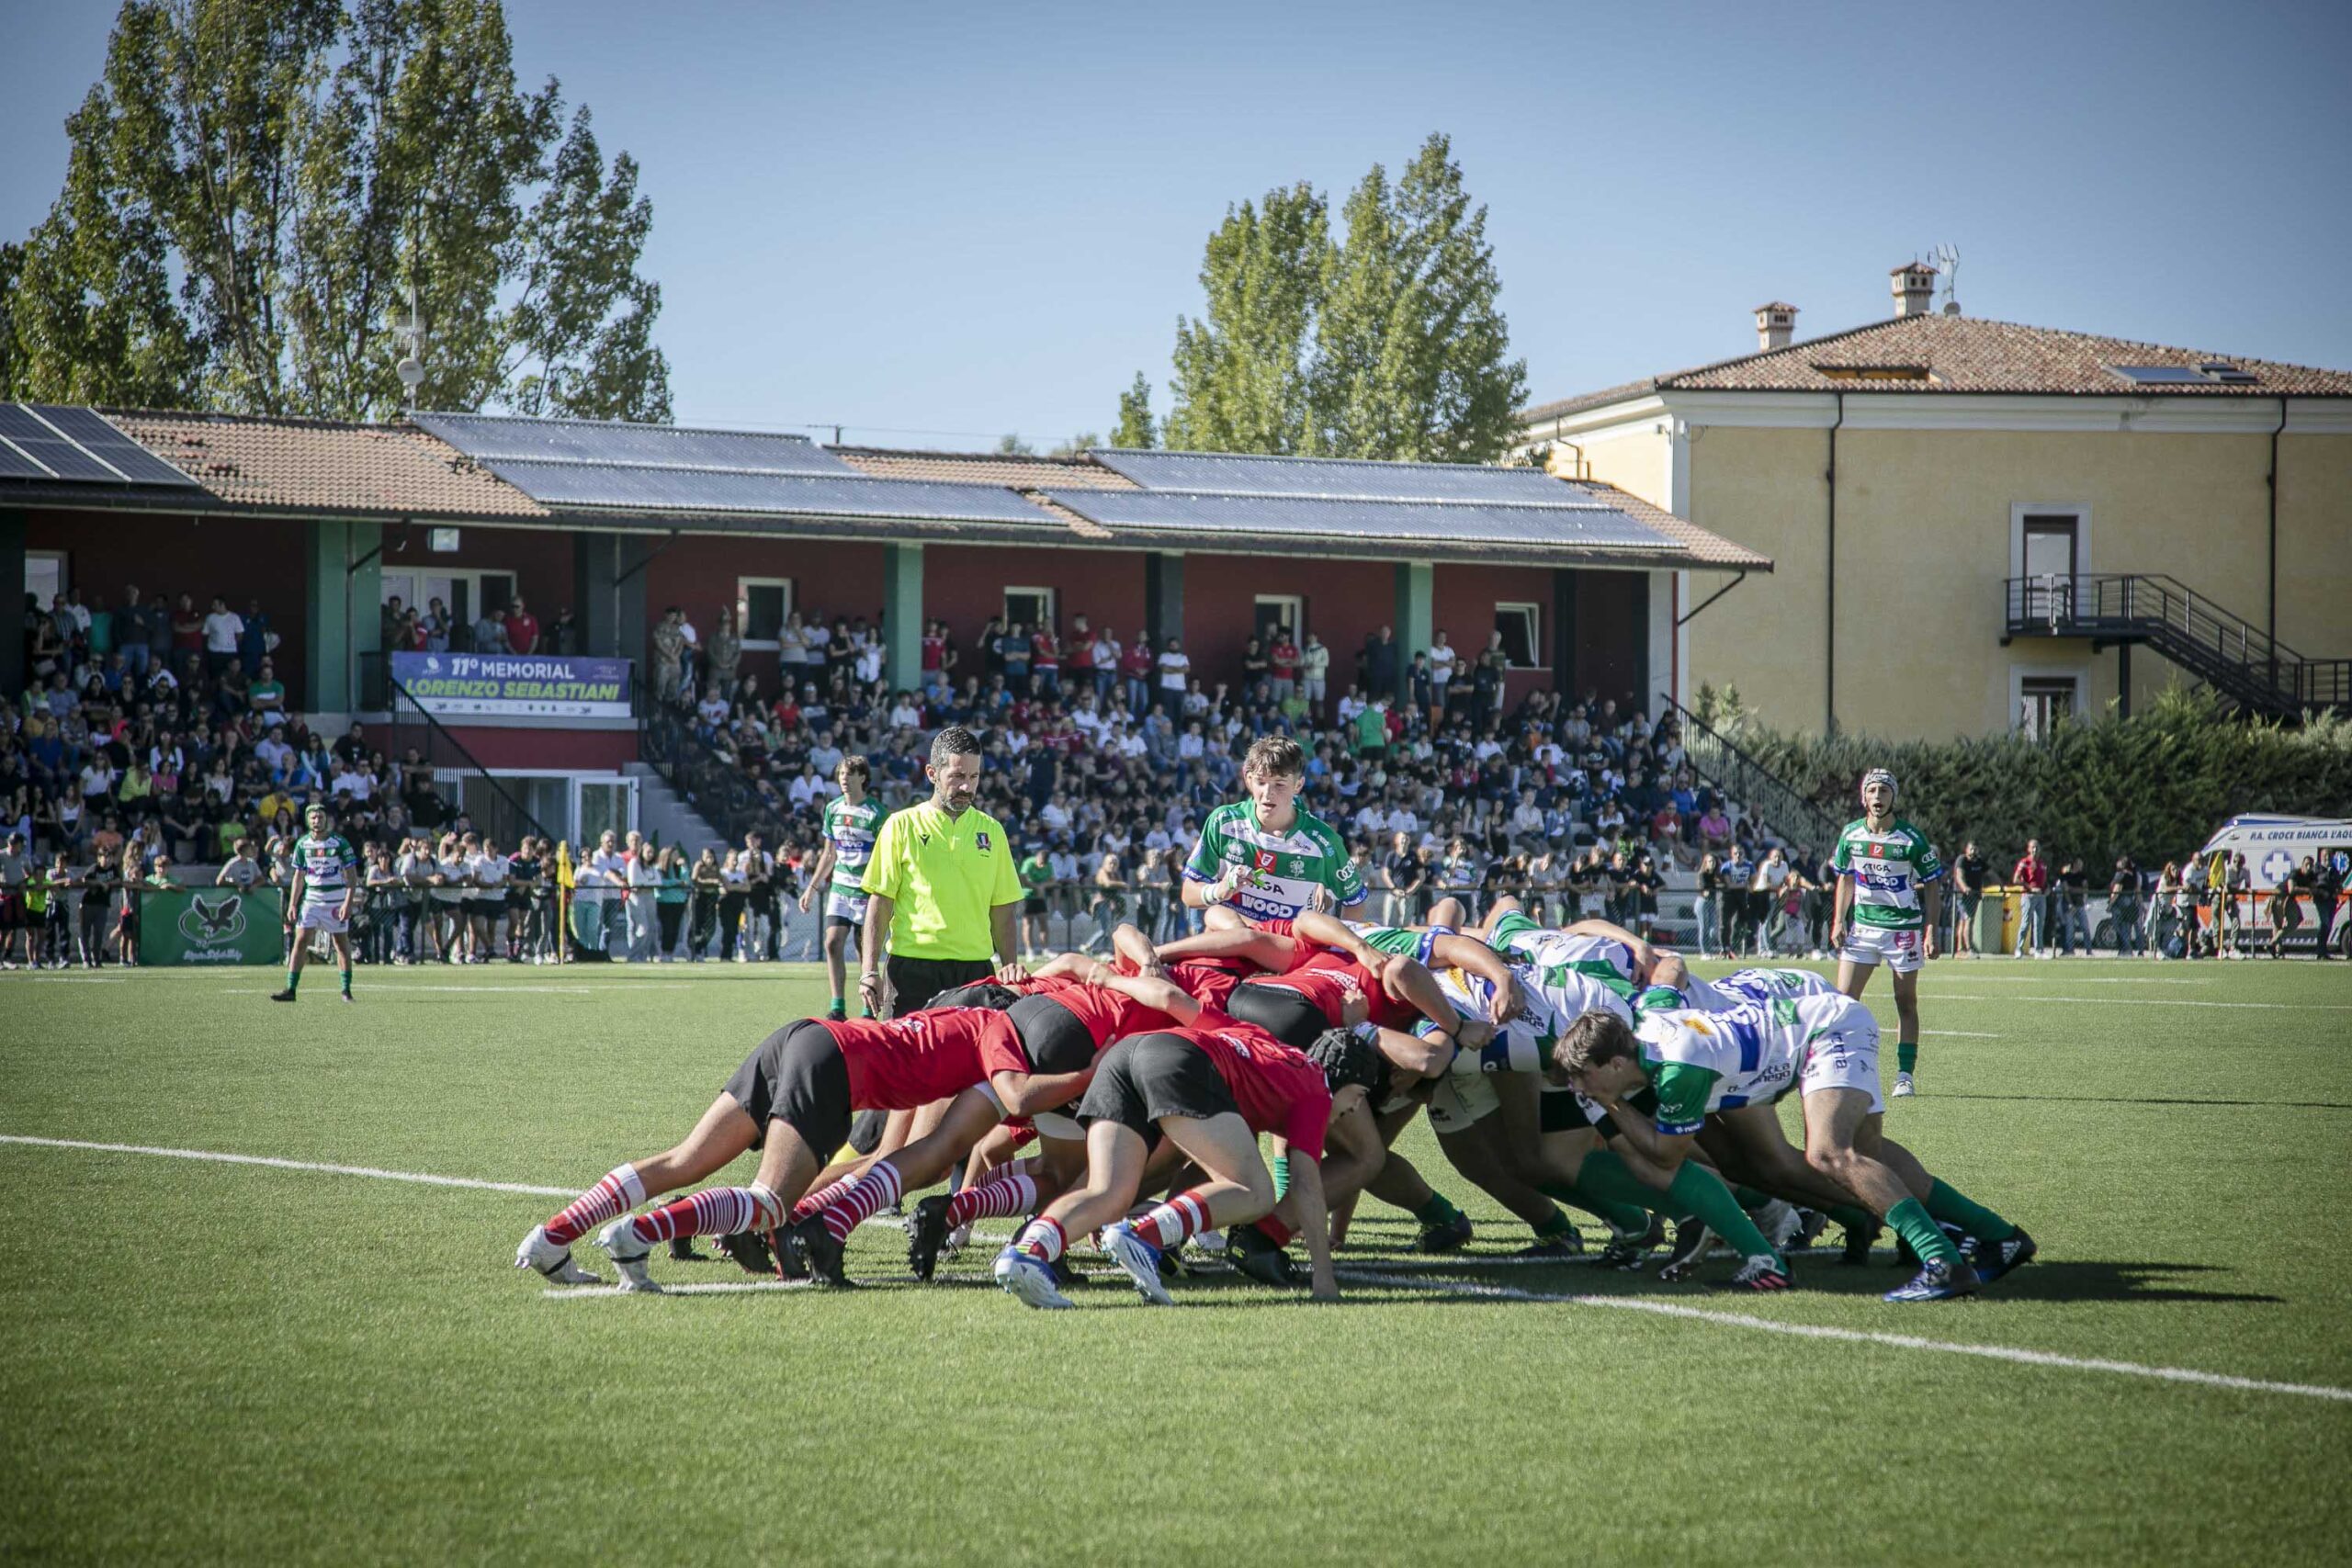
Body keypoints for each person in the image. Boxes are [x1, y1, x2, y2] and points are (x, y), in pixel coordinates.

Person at [516, 1002, 1047, 1292]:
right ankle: (636, 1234)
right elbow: (1009, 1097)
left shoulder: (962, 1014)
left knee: (683, 1160)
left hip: (804, 1034)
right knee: (770, 1202)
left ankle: (551, 1237)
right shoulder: (1001, 1029)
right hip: (831, 1067)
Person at [1555, 999, 2034, 1303]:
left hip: (1825, 1032)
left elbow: (1664, 1155)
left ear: (1616, 1063)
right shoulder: (1645, 1027)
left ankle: (1943, 1261)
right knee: (1868, 1158)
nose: (1578, 1086)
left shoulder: (1678, 1071)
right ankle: (1999, 1236)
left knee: (1830, 1155)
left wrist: (1611, 1104)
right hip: (1816, 1026)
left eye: (1583, 1075)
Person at [994, 1017, 1383, 1309]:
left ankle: (1025, 1256)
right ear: (1344, 1078)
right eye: (1358, 1095)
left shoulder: (1273, 1052)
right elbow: (1306, 1185)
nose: (1354, 1109)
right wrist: (1324, 1277)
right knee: (1256, 1192)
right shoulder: (1317, 1087)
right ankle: (1143, 1236)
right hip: (1178, 1062)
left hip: (1128, 1055)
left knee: (1107, 1192)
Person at [857, 726, 1027, 1021]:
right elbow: (880, 902)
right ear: (932, 773)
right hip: (912, 970)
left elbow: (1002, 909)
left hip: (976, 972)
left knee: (973, 1052)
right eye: (958, 776)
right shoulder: (901, 825)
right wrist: (869, 971)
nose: (967, 787)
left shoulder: (992, 831)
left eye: (974, 777)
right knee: (908, 1052)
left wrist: (1009, 966)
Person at [1829, 771, 1942, 1099]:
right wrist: (1838, 920)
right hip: (1863, 929)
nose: (1878, 796)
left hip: (1902, 931)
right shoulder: (1851, 834)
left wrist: (1930, 929)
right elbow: (1845, 878)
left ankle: (1905, 1075)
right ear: (1863, 796)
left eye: (1884, 790)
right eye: (1872, 790)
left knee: (1905, 1000)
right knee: (1843, 1001)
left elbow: (1932, 883)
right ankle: (1843, 1069)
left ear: (1894, 796)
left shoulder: (1911, 838)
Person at [1182, 736, 1364, 928]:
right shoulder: (1224, 822)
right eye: (1261, 782)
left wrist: (1343, 943)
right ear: (1248, 780)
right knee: (1215, 916)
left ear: (1298, 785)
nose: (1268, 793)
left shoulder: (1324, 841)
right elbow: (1188, 893)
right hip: (1230, 940)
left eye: (1280, 784)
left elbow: (1354, 900)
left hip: (1284, 943)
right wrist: (1219, 890)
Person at [799, 756, 889, 1018]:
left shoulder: (876, 813)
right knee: (832, 942)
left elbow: (886, 855)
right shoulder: (833, 809)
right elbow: (829, 854)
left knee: (865, 951)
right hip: (840, 888)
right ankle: (837, 1007)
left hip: (866, 891)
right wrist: (812, 887)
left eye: (849, 774)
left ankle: (868, 1010)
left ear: (862, 777)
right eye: (841, 774)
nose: (844, 779)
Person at [271, 803, 359, 1003]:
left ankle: (346, 991)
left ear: (326, 819)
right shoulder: (303, 844)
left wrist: (348, 902)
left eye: (320, 817)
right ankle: (290, 989)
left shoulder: (339, 843)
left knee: (341, 944)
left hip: (335, 900)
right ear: (307, 820)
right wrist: (293, 904)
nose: (317, 821)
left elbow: (352, 875)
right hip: (311, 900)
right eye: (313, 817)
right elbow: (298, 876)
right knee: (300, 940)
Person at [2010, 839, 2051, 959]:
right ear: (2028, 849)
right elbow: (2015, 879)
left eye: (2037, 847)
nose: (2035, 850)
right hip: (2028, 896)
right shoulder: (2024, 862)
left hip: (2041, 897)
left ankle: (2039, 951)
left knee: (2039, 924)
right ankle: (2019, 949)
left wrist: (2047, 889)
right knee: (2025, 923)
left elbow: (2044, 882)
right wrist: (2029, 888)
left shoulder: (2042, 864)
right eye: (2033, 847)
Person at [1950, 840, 1986, 958]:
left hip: (1975, 896)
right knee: (1968, 919)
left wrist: (2000, 885)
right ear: (1966, 850)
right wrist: (1964, 887)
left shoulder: (1979, 862)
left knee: (1964, 921)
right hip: (1962, 896)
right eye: (1971, 849)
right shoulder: (1962, 860)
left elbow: (1990, 873)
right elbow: (1959, 876)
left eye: (1975, 849)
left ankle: (1960, 950)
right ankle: (1969, 948)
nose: (1973, 852)